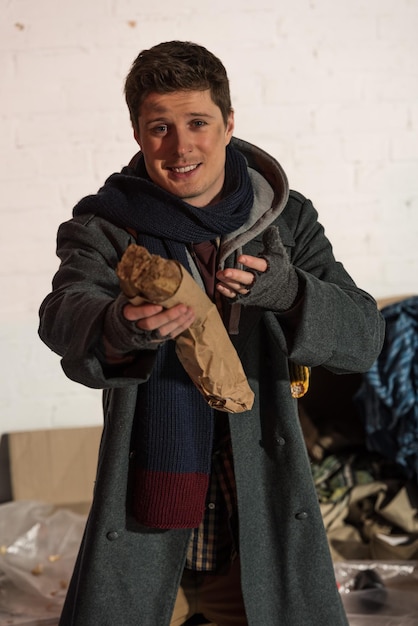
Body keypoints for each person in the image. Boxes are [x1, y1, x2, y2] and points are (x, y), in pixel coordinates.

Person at [38, 40, 385, 626]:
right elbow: (62, 312)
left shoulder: (286, 218)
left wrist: (291, 292)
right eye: (159, 128)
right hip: (149, 513)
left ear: (228, 123)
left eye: (197, 122)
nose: (180, 147)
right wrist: (119, 326)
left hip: (257, 520)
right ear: (138, 134)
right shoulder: (105, 225)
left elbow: (363, 339)